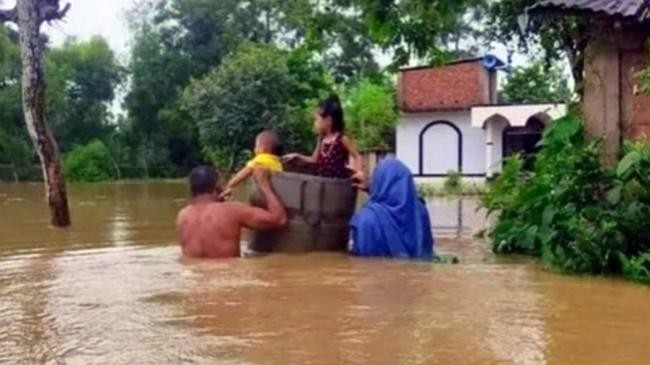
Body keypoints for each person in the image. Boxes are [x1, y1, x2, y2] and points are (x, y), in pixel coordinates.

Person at [176, 165, 287, 258]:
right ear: (217, 186)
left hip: (194, 280)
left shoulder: (183, 215)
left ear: (191, 190)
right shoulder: (232, 210)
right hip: (227, 278)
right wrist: (264, 183)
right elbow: (279, 219)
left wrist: (220, 201)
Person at [350, 158, 434, 260]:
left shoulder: (365, 218)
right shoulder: (420, 212)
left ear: (378, 181)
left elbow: (362, 259)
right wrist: (370, 189)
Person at [283, 94, 364, 181]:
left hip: (338, 186)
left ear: (328, 120)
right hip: (323, 184)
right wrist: (297, 156)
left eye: (316, 119)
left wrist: (359, 172)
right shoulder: (321, 140)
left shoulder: (342, 139)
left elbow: (357, 156)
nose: (315, 123)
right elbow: (314, 159)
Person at [221, 130, 283, 199]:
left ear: (264, 148)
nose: (255, 149)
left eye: (256, 146)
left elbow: (245, 172)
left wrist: (230, 184)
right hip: (275, 195)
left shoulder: (260, 159)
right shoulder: (278, 163)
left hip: (259, 195)